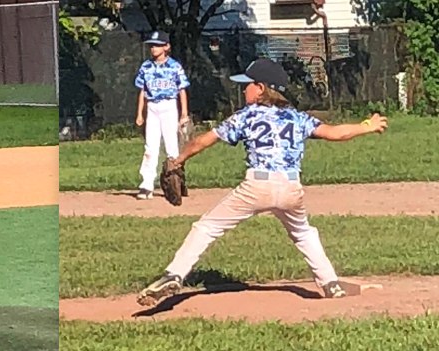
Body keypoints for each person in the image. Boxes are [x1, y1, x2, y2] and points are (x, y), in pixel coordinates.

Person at [136, 58, 388, 306]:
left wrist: (179, 159)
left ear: (261, 88)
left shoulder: (247, 116)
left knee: (207, 227)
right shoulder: (297, 118)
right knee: (303, 232)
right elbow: (335, 133)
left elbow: (203, 141)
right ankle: (330, 283)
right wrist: (367, 125)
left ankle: (174, 274)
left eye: (248, 84)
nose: (244, 88)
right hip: (291, 188)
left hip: (257, 186)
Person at [134, 31, 191, 200]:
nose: (153, 48)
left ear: (167, 47)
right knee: (150, 147)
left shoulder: (174, 66)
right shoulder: (146, 66)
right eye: (151, 45)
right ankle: (147, 184)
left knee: (172, 146)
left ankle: (176, 182)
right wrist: (139, 114)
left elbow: (182, 90)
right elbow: (142, 91)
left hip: (169, 105)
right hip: (152, 106)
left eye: (157, 45)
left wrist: (184, 114)